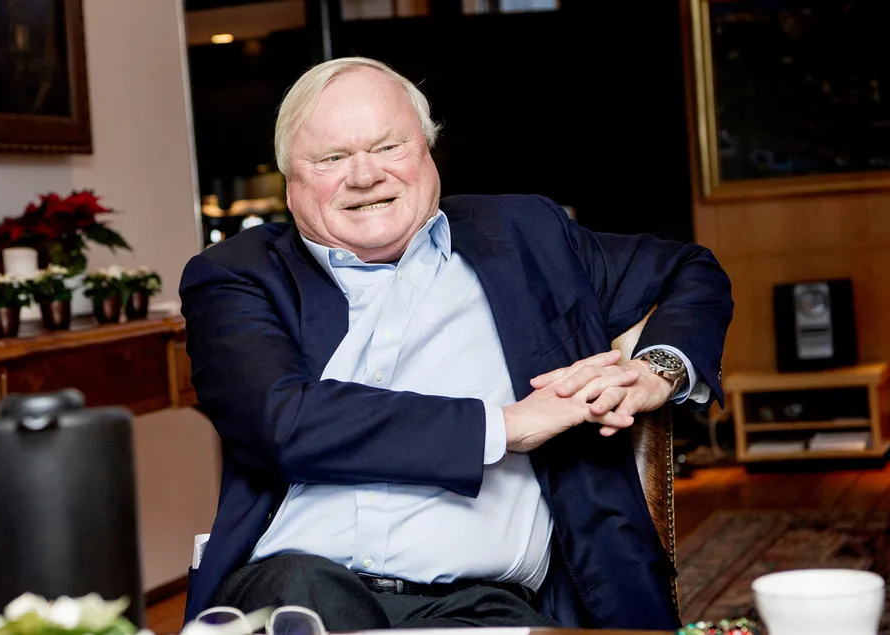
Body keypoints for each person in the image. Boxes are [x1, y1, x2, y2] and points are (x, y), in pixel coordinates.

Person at [179, 56, 733, 631]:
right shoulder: (237, 276)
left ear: (426, 150)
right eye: (332, 158)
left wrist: (658, 369)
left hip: (481, 605)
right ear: (290, 184)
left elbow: (690, 270)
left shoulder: (527, 238)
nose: (365, 176)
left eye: (388, 147)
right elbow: (282, 422)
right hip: (303, 588)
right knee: (305, 599)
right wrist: (504, 426)